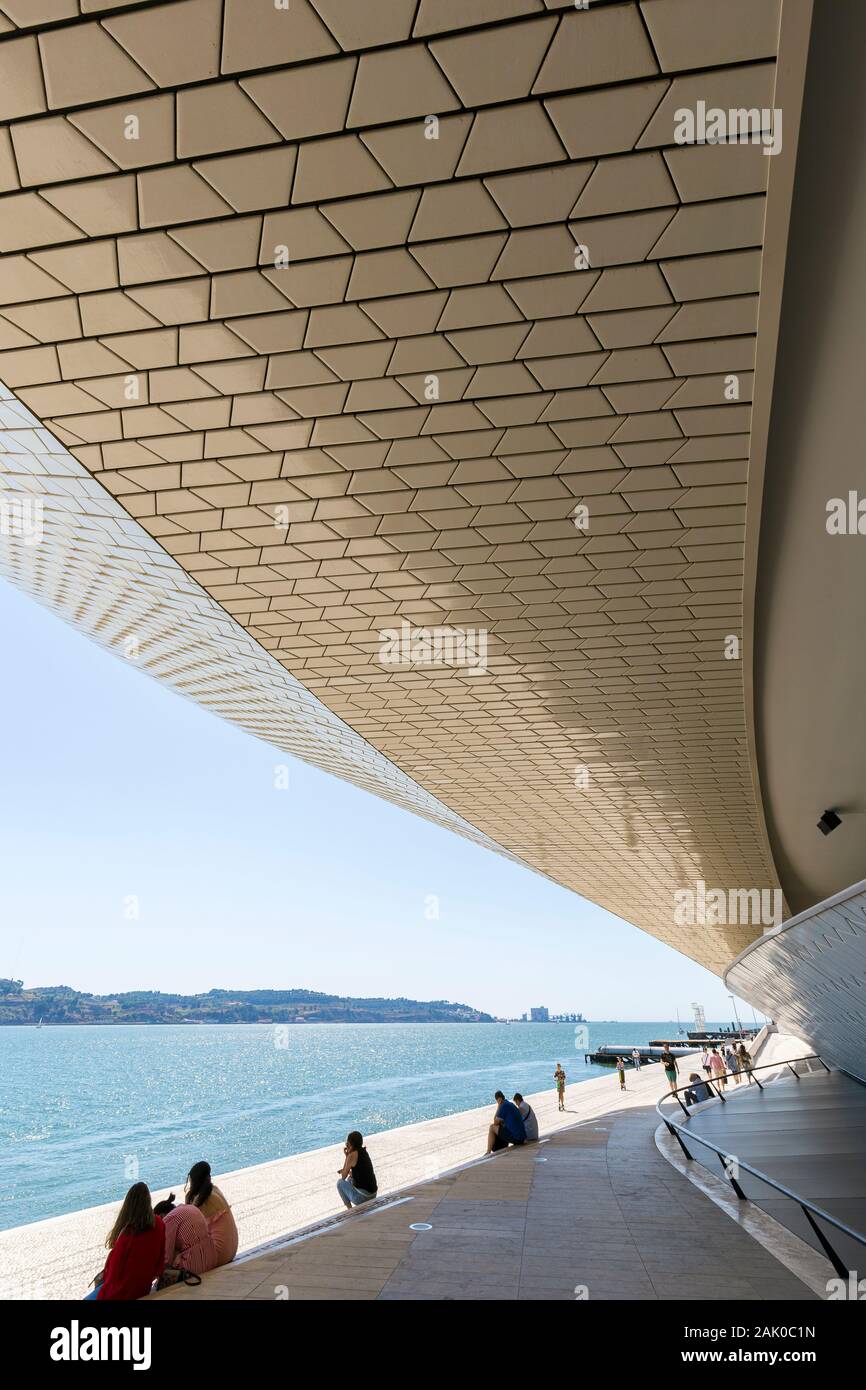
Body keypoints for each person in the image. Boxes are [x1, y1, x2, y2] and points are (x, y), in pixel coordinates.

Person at [84, 1182, 164, 1301]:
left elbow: (112, 1276)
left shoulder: (127, 1235)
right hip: (143, 1288)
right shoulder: (159, 1224)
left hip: (121, 1293)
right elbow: (159, 1263)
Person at [185, 1161, 238, 1266]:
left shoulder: (201, 1200)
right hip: (231, 1251)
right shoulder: (215, 1190)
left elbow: (190, 1230)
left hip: (219, 1255)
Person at [153, 1194, 216, 1277]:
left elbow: (166, 1259)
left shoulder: (168, 1220)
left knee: (169, 1251)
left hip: (194, 1267)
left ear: (161, 1216)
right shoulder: (189, 1207)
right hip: (212, 1258)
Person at [337, 1131, 378, 1209]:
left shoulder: (352, 1155)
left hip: (363, 1198)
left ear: (350, 1144)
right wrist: (348, 1171)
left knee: (339, 1183)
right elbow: (359, 1174)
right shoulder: (364, 1151)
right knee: (350, 1179)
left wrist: (347, 1156)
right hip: (373, 1194)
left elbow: (343, 1177)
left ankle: (350, 1209)